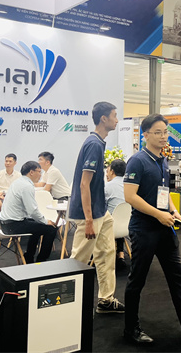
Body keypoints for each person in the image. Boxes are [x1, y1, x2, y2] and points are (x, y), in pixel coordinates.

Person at [123, 113, 181, 345]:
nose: (163, 136)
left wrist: (174, 210)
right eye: (158, 132)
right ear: (146, 135)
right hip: (144, 229)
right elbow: (130, 196)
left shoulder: (163, 160)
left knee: (177, 278)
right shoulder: (137, 161)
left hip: (165, 229)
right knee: (137, 280)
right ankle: (131, 329)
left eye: (165, 132)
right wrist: (158, 214)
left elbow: (163, 193)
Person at [68, 101, 124, 314]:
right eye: (114, 115)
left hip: (101, 211)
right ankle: (65, 302)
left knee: (107, 253)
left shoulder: (98, 143)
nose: (117, 120)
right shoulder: (93, 144)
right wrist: (89, 220)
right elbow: (84, 184)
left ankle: (106, 299)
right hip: (89, 214)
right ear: (104, 118)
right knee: (78, 260)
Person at [0, 161, 58, 264]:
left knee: (37, 225)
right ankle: (41, 260)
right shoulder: (27, 186)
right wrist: (45, 221)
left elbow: (31, 212)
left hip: (6, 223)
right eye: (39, 172)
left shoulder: (18, 182)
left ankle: (29, 256)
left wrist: (41, 220)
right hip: (13, 225)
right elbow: (32, 210)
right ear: (31, 172)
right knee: (51, 229)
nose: (40, 175)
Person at [105, 159, 128, 270]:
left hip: (111, 227)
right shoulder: (130, 186)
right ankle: (121, 254)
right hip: (128, 226)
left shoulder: (107, 187)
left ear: (112, 171)